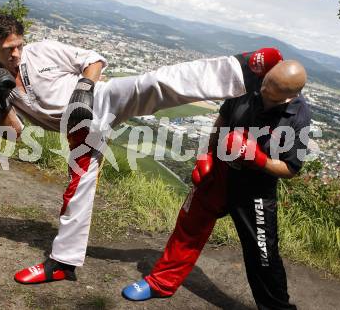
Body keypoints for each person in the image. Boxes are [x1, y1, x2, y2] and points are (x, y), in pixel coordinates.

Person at [0, 13, 282, 285]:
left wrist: (84, 89)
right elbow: (13, 134)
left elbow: (94, 60)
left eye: (19, 45)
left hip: (100, 100)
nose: (17, 53)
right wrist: (2, 98)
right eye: (8, 49)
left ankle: (243, 68)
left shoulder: (43, 50)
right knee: (77, 191)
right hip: (79, 133)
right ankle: (63, 263)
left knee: (152, 83)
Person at [122, 59, 311, 310]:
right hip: (219, 173)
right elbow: (221, 123)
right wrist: (207, 155)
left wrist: (258, 158)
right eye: (265, 84)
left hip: (255, 187)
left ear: (291, 95)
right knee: (187, 228)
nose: (263, 91)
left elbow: (290, 169)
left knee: (263, 254)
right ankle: (160, 283)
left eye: (272, 92)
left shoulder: (298, 117)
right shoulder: (249, 84)